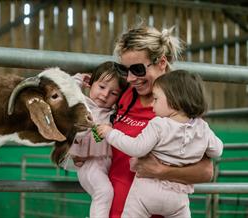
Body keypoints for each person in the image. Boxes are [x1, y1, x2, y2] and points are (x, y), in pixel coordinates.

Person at [104, 22, 215, 218]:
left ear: (161, 62)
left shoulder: (181, 106)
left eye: (137, 69)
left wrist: (161, 171)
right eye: (124, 70)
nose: (130, 78)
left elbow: (206, 171)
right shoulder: (124, 96)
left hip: (156, 210)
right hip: (115, 209)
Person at [96, 70, 223, 217]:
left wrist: (110, 133)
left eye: (156, 99)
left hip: (147, 193)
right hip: (178, 199)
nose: (152, 104)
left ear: (174, 102)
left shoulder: (158, 125)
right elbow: (217, 151)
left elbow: (136, 148)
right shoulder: (203, 128)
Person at [62, 61, 128, 218]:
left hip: (107, 165)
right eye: (102, 87)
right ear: (90, 84)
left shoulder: (113, 113)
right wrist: (80, 79)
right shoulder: (82, 105)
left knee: (110, 194)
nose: (105, 95)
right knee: (104, 192)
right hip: (89, 164)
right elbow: (65, 92)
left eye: (114, 93)